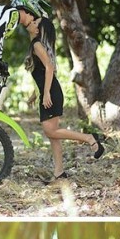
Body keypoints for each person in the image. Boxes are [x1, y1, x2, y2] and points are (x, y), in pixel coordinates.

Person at [25, 16, 104, 181]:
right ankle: (59, 172)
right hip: (49, 91)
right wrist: (36, 94)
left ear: (39, 30)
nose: (31, 22)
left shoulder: (37, 45)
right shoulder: (36, 45)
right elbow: (42, 73)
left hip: (51, 92)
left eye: (35, 22)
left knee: (50, 131)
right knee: (53, 135)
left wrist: (46, 93)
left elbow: (49, 68)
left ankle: (89, 138)